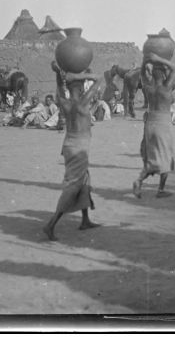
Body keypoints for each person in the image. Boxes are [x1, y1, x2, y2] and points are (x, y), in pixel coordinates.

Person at [43, 62, 103, 241]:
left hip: (69, 144)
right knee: (74, 185)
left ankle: (85, 220)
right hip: (79, 148)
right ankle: (51, 224)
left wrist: (57, 73)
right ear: (80, 86)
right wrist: (79, 75)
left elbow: (60, 88)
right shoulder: (83, 102)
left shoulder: (64, 102)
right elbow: (99, 79)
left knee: (84, 179)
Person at [132, 53, 175, 199]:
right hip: (163, 123)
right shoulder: (166, 88)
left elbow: (141, 72)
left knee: (153, 157)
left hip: (150, 123)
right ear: (164, 76)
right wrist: (159, 59)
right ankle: (160, 189)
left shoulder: (148, 88)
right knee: (166, 157)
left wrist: (146, 60)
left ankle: (139, 181)